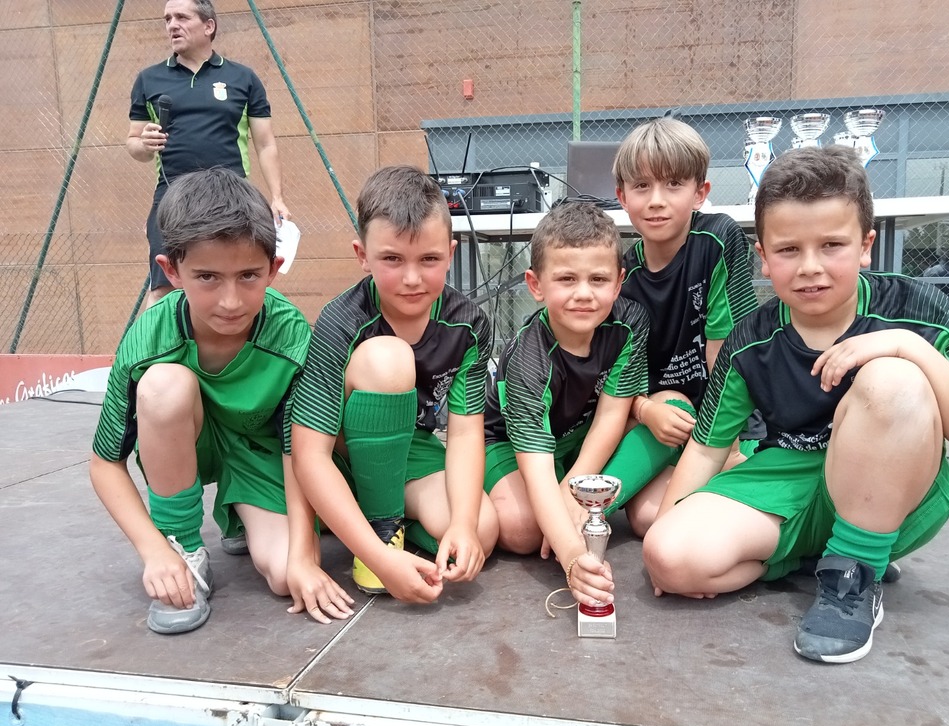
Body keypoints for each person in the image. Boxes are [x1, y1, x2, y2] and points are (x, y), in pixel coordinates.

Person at [643, 146, 949, 663]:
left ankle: (853, 575)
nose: (810, 267)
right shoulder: (750, 339)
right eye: (789, 249)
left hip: (891, 489)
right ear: (763, 256)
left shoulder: (920, 310)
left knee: (892, 379)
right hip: (786, 482)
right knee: (670, 556)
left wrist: (908, 346)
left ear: (866, 246)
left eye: (832, 245)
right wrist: (663, 543)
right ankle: (813, 558)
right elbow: (707, 449)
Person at [90, 168, 352, 635]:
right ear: (171, 271)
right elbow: (105, 464)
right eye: (207, 277)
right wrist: (155, 550)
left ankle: (240, 516)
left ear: (274, 267)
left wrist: (302, 557)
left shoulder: (290, 334)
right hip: (185, 440)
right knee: (164, 386)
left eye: (248, 275)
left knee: (284, 575)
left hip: (259, 452)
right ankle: (183, 545)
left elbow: (297, 449)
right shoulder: (147, 338)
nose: (231, 301)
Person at [288, 165, 498, 606]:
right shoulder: (341, 320)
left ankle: (374, 517)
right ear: (362, 255)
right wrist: (380, 560)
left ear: (450, 253)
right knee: (389, 360)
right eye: (392, 260)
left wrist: (462, 524)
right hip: (342, 452)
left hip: (409, 448)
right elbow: (309, 454)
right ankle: (381, 531)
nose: (412, 278)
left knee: (482, 529)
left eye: (429, 260)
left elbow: (464, 432)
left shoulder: (469, 324)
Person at [598, 117, 760, 535]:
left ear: (699, 193)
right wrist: (644, 410)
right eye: (642, 186)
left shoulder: (718, 240)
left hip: (726, 422)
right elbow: (619, 376)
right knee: (646, 519)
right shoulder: (623, 278)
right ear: (622, 196)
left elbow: (730, 352)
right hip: (662, 425)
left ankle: (586, 509)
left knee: (665, 516)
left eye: (673, 184)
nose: (657, 201)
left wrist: (728, 448)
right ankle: (588, 508)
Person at [483, 202, 648, 608]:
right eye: (567, 279)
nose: (584, 294)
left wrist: (573, 493)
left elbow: (612, 415)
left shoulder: (631, 323)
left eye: (598, 279)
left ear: (619, 282)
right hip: (509, 445)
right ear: (536, 284)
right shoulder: (528, 358)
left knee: (668, 410)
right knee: (523, 531)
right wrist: (573, 558)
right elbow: (536, 466)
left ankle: (589, 505)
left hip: (575, 437)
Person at [127, 0, 291, 308]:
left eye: (181, 17)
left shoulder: (243, 78)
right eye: (167, 19)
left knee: (239, 278)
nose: (172, 25)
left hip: (232, 196)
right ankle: (153, 342)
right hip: (172, 194)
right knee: (164, 287)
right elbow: (135, 144)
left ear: (208, 25)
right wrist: (144, 144)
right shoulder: (148, 79)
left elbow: (265, 143)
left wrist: (277, 197)